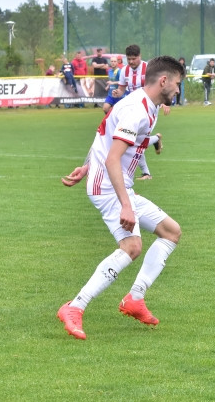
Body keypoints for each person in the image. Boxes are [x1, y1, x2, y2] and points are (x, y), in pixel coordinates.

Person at [56, 56, 187, 340]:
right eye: (177, 84)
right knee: (131, 246)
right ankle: (74, 307)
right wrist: (126, 205)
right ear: (163, 81)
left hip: (114, 182)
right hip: (109, 187)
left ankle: (135, 299)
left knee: (170, 232)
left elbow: (103, 136)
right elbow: (114, 158)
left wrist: (87, 166)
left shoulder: (146, 106)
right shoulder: (136, 111)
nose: (178, 90)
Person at [118, 44, 163, 177]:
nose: (131, 62)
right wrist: (117, 93)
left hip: (150, 108)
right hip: (133, 108)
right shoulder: (124, 71)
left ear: (140, 56)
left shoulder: (149, 69)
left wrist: (165, 103)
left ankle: (145, 173)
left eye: (134, 58)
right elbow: (121, 89)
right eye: (129, 59)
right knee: (134, 139)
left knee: (135, 140)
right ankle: (155, 140)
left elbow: (160, 86)